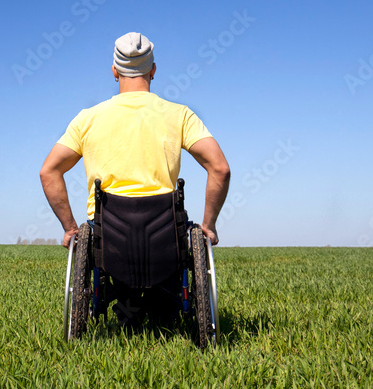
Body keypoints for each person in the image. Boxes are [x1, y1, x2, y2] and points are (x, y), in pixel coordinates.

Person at [39, 32, 231, 249]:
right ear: (153, 70)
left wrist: (70, 229)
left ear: (114, 71)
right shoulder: (181, 115)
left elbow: (49, 172)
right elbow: (220, 169)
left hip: (107, 237)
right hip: (165, 235)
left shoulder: (87, 119)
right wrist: (209, 225)